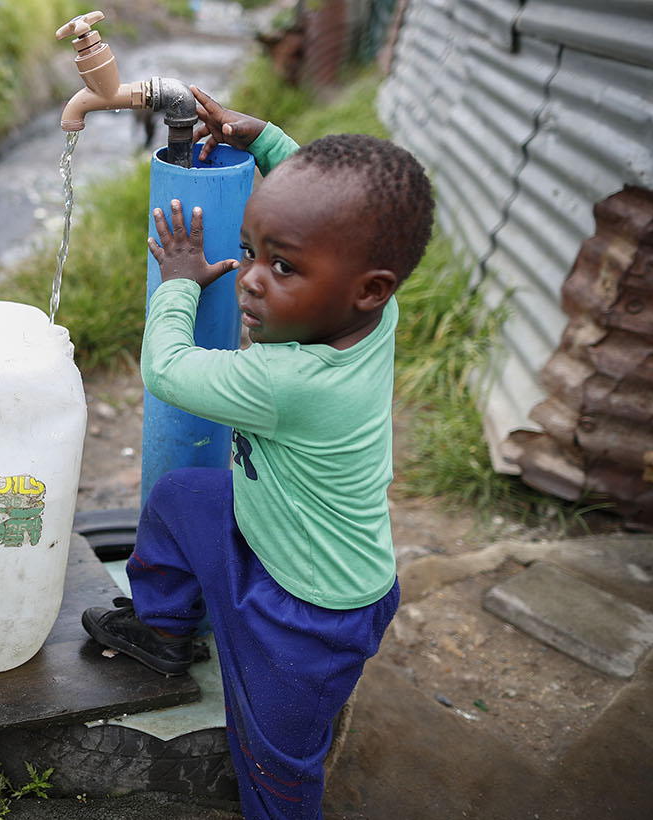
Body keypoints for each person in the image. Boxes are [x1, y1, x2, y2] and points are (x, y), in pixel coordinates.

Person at [82, 85, 435, 820]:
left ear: (367, 289)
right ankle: (164, 631)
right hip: (266, 536)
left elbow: (169, 372)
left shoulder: (290, 380)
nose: (248, 278)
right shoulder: (376, 312)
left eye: (283, 268)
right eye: (250, 251)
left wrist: (177, 287)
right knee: (184, 496)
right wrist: (265, 139)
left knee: (275, 767)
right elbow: (322, 217)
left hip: (309, 618)